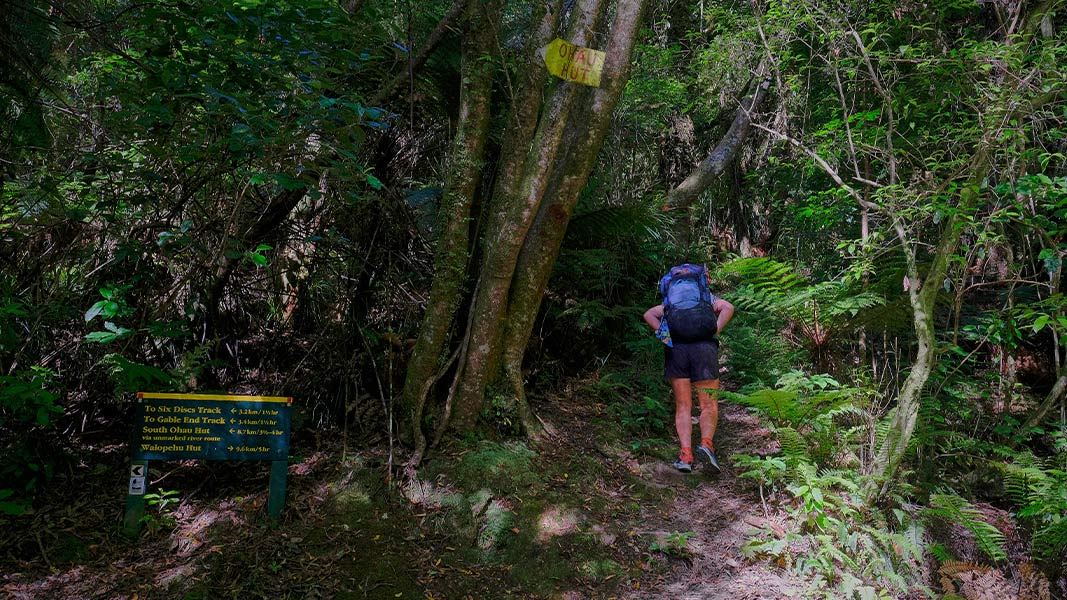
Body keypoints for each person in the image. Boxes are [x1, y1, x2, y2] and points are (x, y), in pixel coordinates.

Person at [643, 266, 734, 474]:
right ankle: (707, 445)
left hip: (677, 350)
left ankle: (686, 455)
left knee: (683, 405)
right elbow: (728, 308)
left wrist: (666, 336)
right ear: (701, 281)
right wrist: (715, 330)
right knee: (708, 404)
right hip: (704, 348)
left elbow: (649, 314)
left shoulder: (670, 301)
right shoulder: (707, 299)